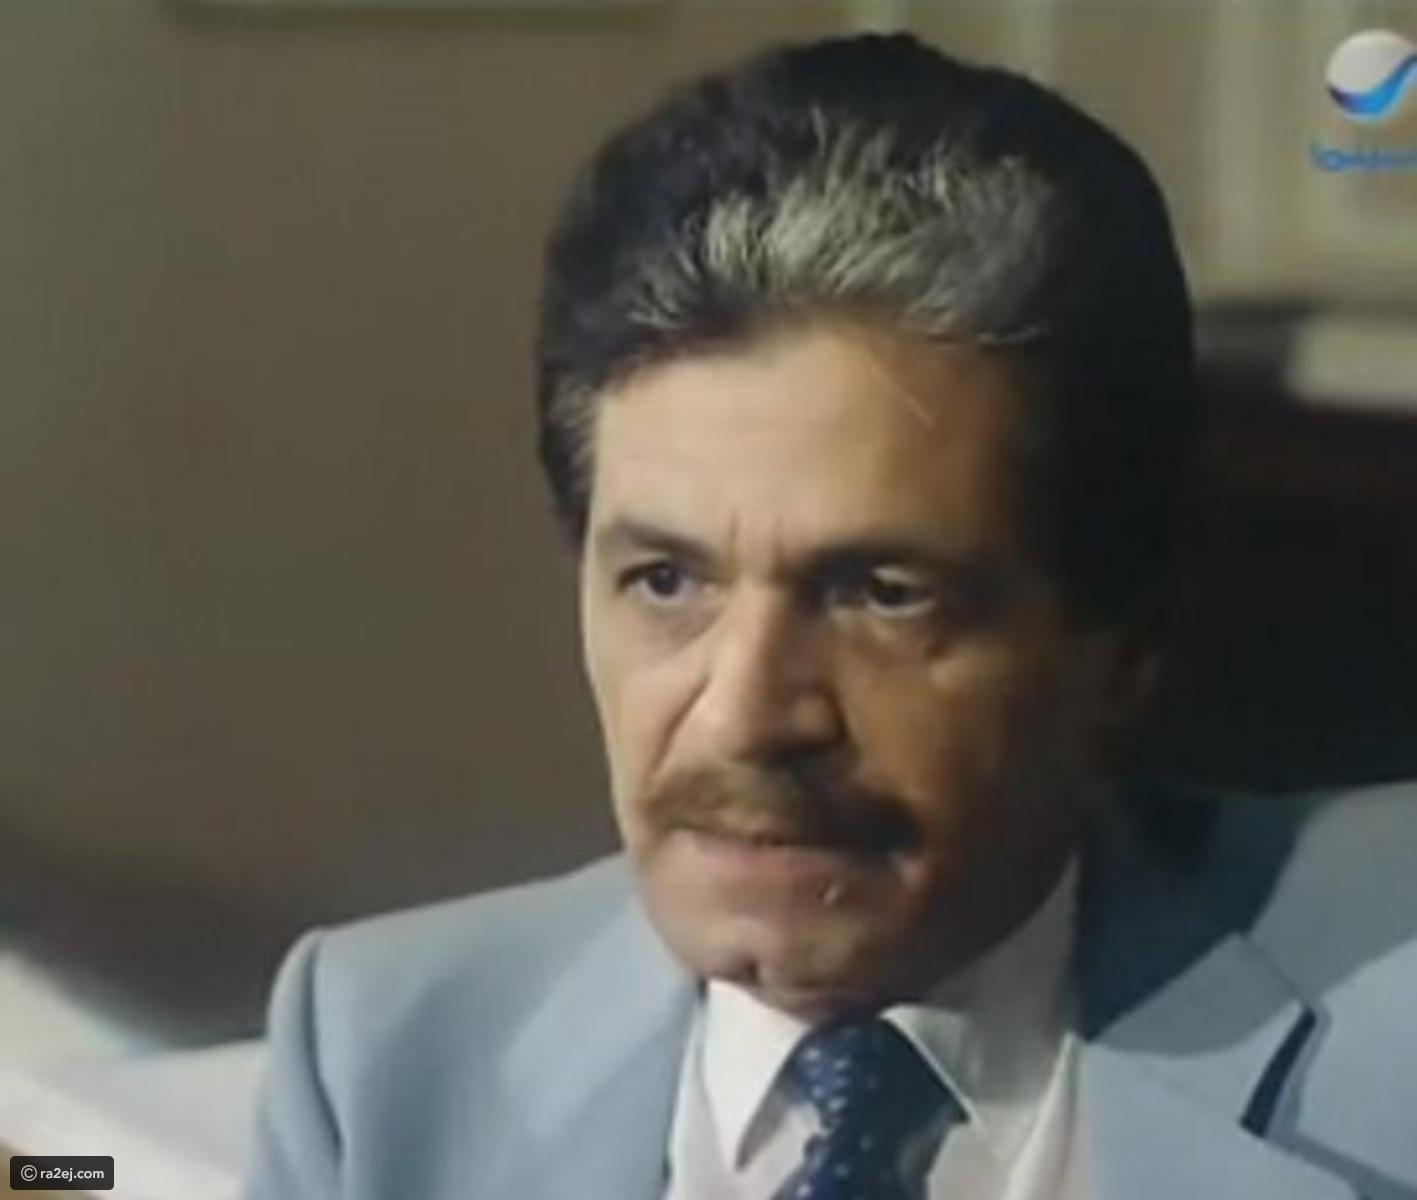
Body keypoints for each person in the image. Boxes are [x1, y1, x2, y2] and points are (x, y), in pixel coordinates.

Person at [246, 33, 1417, 1200]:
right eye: (667, 582)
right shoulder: (381, 1064)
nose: (746, 718)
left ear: (1125, 638)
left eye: (880, 594)